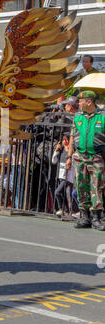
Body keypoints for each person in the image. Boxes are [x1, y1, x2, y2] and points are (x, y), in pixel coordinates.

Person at [67, 90, 105, 230]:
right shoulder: (77, 117)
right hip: (79, 157)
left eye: (81, 101)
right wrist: (69, 157)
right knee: (81, 187)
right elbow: (72, 137)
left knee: (96, 187)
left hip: (96, 157)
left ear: (89, 102)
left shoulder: (103, 116)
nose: (79, 104)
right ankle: (85, 217)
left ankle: (96, 218)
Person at [52, 134, 75, 218]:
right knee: (66, 195)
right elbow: (54, 161)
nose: (64, 142)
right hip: (61, 176)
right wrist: (56, 150)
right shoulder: (61, 151)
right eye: (63, 140)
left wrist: (68, 149)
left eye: (65, 140)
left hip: (68, 177)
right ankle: (66, 211)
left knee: (58, 192)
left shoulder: (71, 151)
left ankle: (64, 210)